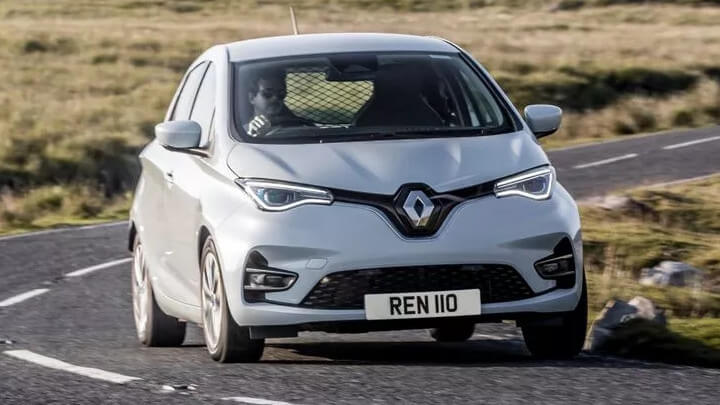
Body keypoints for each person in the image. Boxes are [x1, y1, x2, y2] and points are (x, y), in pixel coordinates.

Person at [245, 69, 314, 137]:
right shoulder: (240, 134)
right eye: (268, 94)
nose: (275, 98)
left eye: (281, 94)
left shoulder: (301, 128)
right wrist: (254, 136)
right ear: (252, 98)